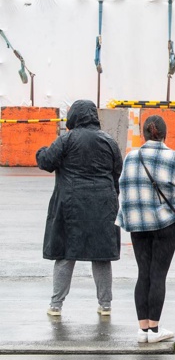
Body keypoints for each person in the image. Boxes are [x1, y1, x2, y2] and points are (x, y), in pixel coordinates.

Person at [36, 99, 122, 317]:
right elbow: (117, 172)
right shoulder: (109, 141)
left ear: (73, 116)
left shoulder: (66, 139)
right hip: (103, 206)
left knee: (65, 254)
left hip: (70, 206)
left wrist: (41, 150)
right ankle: (105, 305)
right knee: (101, 256)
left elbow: (46, 161)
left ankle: (56, 305)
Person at [116, 115, 175, 343]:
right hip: (166, 223)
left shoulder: (130, 158)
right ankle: (155, 330)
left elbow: (123, 186)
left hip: (138, 223)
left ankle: (142, 330)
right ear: (165, 134)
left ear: (143, 135)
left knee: (143, 273)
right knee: (158, 274)